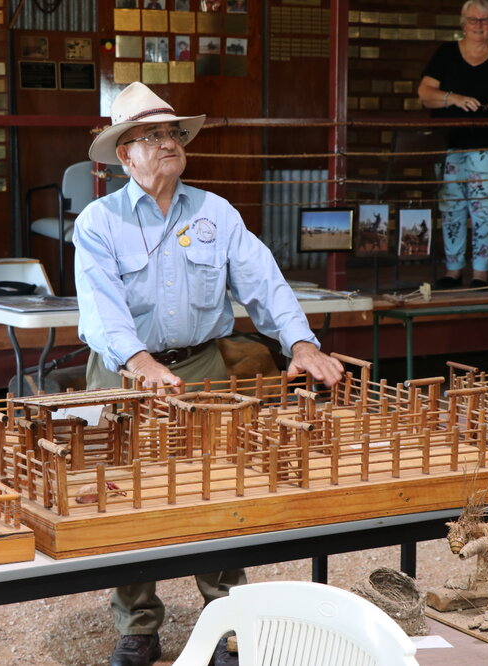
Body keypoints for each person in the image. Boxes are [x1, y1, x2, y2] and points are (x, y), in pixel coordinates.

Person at [76, 82, 344, 666]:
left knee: (218, 486)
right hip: (126, 371)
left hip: (200, 364)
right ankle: (139, 625)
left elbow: (263, 281)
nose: (168, 142)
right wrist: (138, 361)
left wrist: (299, 341)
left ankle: (224, 620)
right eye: (153, 135)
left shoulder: (215, 212)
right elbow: (99, 306)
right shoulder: (99, 221)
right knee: (128, 495)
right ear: (125, 154)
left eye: (174, 132)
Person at [417, 0, 488, 289]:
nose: (479, 25)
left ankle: (480, 273)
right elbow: (425, 93)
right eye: (473, 19)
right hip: (450, 142)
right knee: (451, 204)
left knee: (484, 206)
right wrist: (452, 98)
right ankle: (453, 271)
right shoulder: (446, 54)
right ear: (463, 23)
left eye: (485, 20)